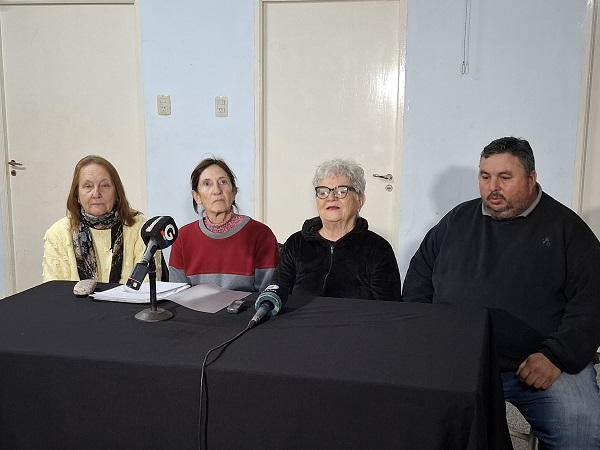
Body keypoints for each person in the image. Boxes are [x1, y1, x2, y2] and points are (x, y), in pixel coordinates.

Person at [402, 137, 600, 449]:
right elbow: (419, 278)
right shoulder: (456, 221)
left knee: (581, 433)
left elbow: (592, 301)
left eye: (505, 177)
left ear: (531, 178)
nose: (493, 187)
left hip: (538, 364)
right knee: (408, 418)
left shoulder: (567, 229)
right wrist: (426, 335)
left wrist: (557, 355)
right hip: (457, 362)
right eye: (485, 176)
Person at [271, 158, 401, 301]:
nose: (331, 197)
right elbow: (276, 295)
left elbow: (388, 308)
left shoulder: (378, 249)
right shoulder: (296, 243)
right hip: (303, 316)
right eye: (323, 192)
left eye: (341, 191)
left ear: (360, 200)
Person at [43, 155, 164, 283]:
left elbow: (146, 288)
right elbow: (55, 291)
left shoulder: (142, 229)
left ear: (117, 193)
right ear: (77, 195)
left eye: (104, 185)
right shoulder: (58, 233)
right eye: (88, 186)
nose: (96, 194)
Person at [168, 157, 279, 291]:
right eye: (207, 184)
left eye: (223, 182)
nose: (217, 190)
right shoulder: (182, 238)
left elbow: (268, 295)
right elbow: (177, 294)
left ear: (233, 192)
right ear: (197, 197)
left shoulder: (261, 234)